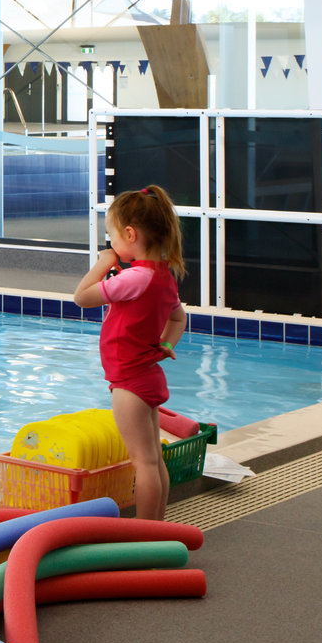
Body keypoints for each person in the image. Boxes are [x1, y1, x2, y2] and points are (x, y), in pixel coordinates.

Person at [76, 185, 190, 521]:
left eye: (112, 236)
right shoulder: (162, 276)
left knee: (143, 461)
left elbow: (81, 297)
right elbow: (179, 317)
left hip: (129, 381)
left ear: (130, 234)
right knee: (153, 458)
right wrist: (166, 345)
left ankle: (142, 530)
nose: (110, 244)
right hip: (146, 376)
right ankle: (156, 526)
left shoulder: (134, 279)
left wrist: (103, 263)